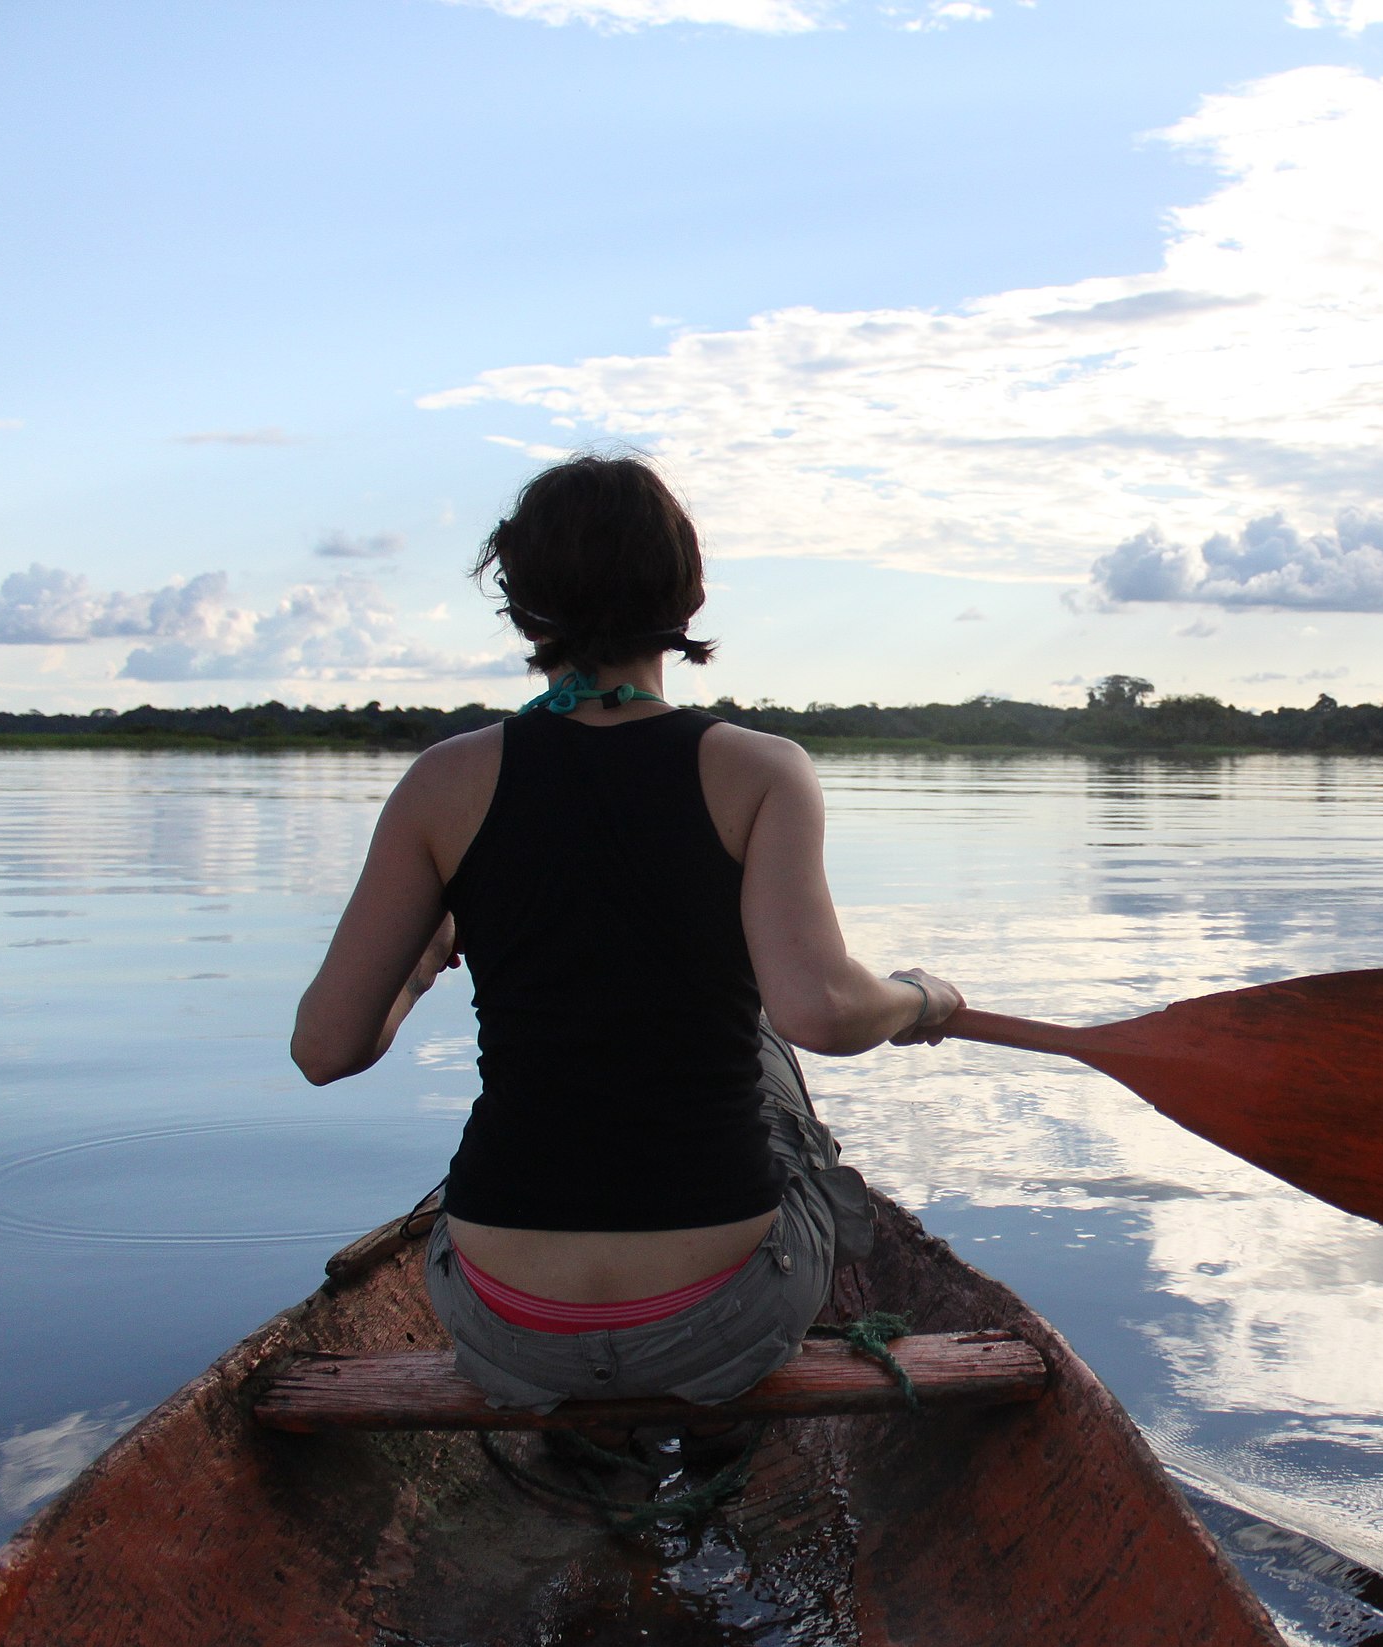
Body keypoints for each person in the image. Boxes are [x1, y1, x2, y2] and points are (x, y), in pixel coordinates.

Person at [289, 453, 961, 1412]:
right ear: (685, 600)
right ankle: (731, 1426)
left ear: (524, 610)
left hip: (501, 1317)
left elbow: (325, 1048)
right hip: (724, 1308)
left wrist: (423, 966)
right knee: (764, 1038)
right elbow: (818, 1007)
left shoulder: (442, 783)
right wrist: (921, 997)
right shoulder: (762, 771)